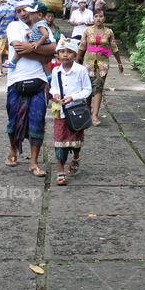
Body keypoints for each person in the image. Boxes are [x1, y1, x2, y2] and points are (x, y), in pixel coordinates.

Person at [4, 0, 57, 175]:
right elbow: (19, 48)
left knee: (38, 119)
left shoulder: (43, 25)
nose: (23, 14)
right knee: (13, 118)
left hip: (40, 80)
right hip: (16, 79)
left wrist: (31, 49)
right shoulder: (13, 27)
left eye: (26, 9)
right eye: (19, 11)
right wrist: (42, 55)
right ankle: (13, 149)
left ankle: (34, 162)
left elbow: (54, 49)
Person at [49, 37, 92, 186]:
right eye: (62, 52)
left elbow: (87, 90)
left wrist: (73, 97)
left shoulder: (80, 70)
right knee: (59, 141)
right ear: (57, 55)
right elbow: (53, 86)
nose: (65, 55)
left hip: (76, 111)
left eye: (69, 52)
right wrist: (55, 94)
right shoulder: (56, 71)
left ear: (75, 54)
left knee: (75, 141)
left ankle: (76, 156)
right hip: (60, 112)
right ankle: (60, 171)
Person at [77, 9, 124, 126]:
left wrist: (119, 62)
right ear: (93, 18)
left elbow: (114, 47)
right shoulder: (87, 31)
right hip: (88, 62)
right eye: (96, 16)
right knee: (87, 85)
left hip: (103, 64)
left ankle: (95, 115)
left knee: (98, 86)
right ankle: (88, 107)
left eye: (100, 16)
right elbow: (82, 46)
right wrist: (77, 59)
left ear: (104, 18)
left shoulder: (109, 32)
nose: (98, 18)